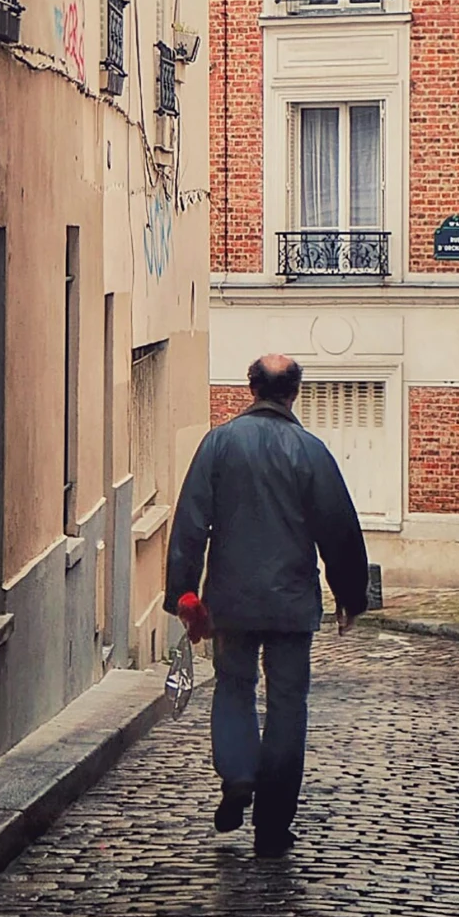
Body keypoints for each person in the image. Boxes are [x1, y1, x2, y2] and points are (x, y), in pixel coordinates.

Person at [164, 352, 369, 858]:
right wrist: (349, 595)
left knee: (233, 688)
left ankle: (237, 775)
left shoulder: (218, 445)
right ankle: (273, 827)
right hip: (292, 605)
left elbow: (190, 523)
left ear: (250, 387)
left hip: (231, 601)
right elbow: (339, 528)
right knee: (286, 708)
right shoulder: (310, 451)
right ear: (294, 392)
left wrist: (185, 594)